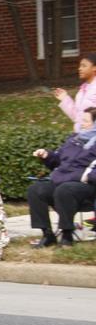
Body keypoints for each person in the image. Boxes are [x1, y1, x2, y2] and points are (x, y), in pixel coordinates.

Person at [27, 106, 96, 247]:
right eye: (81, 120)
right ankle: (47, 234)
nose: (81, 123)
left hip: (86, 186)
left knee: (64, 190)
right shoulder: (74, 139)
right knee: (35, 190)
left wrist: (87, 176)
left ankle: (67, 234)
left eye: (86, 121)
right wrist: (47, 155)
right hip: (62, 181)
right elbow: (58, 160)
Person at [52, 53, 96, 132]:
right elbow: (77, 117)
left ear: (94, 68)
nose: (79, 68)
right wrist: (65, 98)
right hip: (80, 136)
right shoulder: (82, 90)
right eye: (80, 66)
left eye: (84, 66)